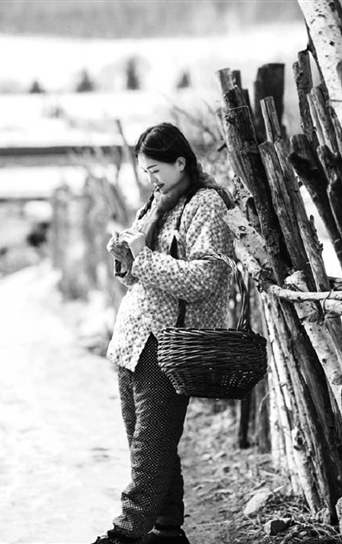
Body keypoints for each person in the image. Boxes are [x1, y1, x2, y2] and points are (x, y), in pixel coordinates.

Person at [93, 123, 234, 544]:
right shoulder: (156, 204)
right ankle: (167, 530)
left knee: (150, 444)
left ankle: (127, 531)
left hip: (169, 340)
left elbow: (206, 277)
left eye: (155, 170)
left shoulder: (206, 204)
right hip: (133, 340)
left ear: (181, 162)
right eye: (145, 172)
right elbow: (139, 278)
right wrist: (126, 259)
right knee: (148, 441)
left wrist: (143, 257)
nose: (150, 180)